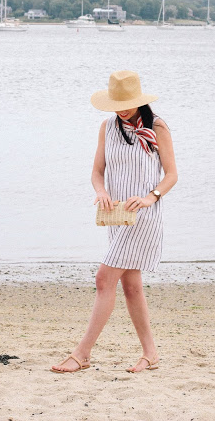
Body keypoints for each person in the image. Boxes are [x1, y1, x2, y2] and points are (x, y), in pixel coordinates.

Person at [51, 70, 177, 374]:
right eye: (117, 103)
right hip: (116, 216)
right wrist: (101, 191)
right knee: (131, 287)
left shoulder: (157, 126)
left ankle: (82, 353)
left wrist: (151, 196)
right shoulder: (107, 127)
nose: (122, 109)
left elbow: (172, 174)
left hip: (143, 215)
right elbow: (97, 171)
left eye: (128, 103)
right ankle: (151, 354)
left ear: (139, 100)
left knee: (103, 279)